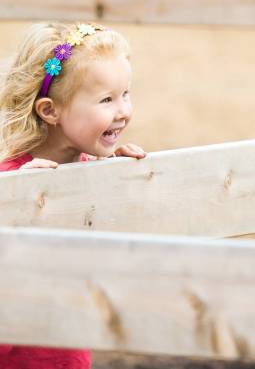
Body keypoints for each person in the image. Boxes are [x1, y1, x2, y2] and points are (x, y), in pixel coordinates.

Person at [0, 22, 146, 368]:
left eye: (125, 94)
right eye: (106, 99)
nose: (123, 110)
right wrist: (18, 202)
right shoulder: (13, 178)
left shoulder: (90, 170)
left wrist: (118, 185)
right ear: (50, 111)